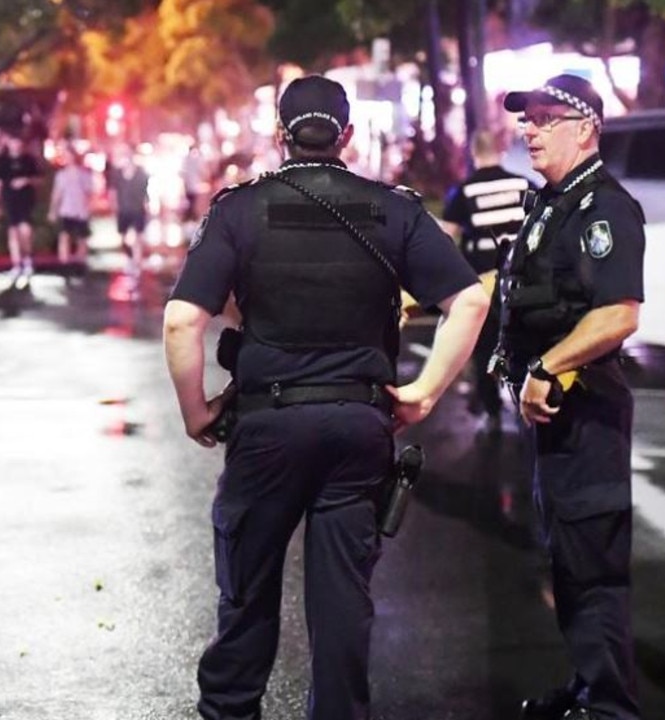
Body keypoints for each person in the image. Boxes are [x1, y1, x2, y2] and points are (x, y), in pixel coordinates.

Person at [163, 75, 489, 720]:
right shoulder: (393, 210)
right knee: (344, 598)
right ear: (346, 135)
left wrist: (196, 409)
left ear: (280, 135)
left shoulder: (238, 209)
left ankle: (231, 709)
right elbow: (471, 299)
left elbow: (182, 320)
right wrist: (422, 393)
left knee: (248, 590)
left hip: (267, 429)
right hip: (357, 428)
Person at [496, 74, 645, 720]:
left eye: (545, 117)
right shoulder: (552, 203)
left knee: (595, 569)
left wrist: (547, 366)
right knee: (568, 561)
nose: (529, 129)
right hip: (558, 422)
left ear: (584, 128)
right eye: (525, 119)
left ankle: (611, 706)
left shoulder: (604, 209)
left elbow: (619, 314)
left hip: (589, 418)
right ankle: (589, 686)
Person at [440, 129, 536, 432]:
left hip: (482, 281)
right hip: (522, 281)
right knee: (522, 339)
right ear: (501, 150)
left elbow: (446, 239)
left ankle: (491, 405)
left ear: (473, 152)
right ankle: (525, 398)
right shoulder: (523, 185)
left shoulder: (464, 192)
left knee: (484, 345)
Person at [0, 132, 43, 278]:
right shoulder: (3, 161)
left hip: (25, 200)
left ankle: (28, 259)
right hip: (9, 200)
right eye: (13, 142)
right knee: (13, 232)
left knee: (25, 230)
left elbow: (39, 180)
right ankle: (16, 264)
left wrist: (26, 181)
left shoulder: (28, 160)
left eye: (19, 143)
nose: (16, 145)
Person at [107, 145, 150, 283]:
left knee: (138, 237)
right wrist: (113, 205)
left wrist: (147, 205)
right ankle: (130, 258)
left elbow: (145, 191)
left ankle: (137, 264)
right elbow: (113, 191)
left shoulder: (141, 173)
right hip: (123, 209)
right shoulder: (117, 173)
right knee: (123, 237)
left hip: (137, 209)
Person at [48, 150, 94, 269]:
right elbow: (57, 194)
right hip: (66, 209)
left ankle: (80, 263)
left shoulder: (84, 174)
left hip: (80, 210)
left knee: (81, 238)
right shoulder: (61, 175)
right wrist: (53, 210)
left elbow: (89, 193)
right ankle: (64, 263)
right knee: (64, 236)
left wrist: (88, 208)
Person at [181, 144, 207, 226]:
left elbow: (183, 172)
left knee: (190, 200)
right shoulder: (196, 159)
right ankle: (191, 216)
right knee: (192, 201)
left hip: (189, 184)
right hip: (193, 184)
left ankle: (190, 216)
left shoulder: (186, 159)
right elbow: (201, 170)